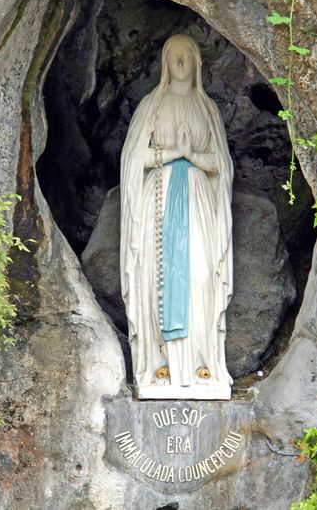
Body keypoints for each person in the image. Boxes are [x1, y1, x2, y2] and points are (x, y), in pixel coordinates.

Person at [120, 34, 233, 399]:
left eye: (188, 55)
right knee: (158, 277)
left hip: (199, 202)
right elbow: (132, 161)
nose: (182, 61)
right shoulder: (151, 106)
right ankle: (161, 367)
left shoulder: (208, 110)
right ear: (165, 63)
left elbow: (223, 166)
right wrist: (172, 154)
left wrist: (194, 157)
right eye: (175, 55)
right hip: (160, 199)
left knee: (201, 277)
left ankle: (203, 366)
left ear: (198, 63)